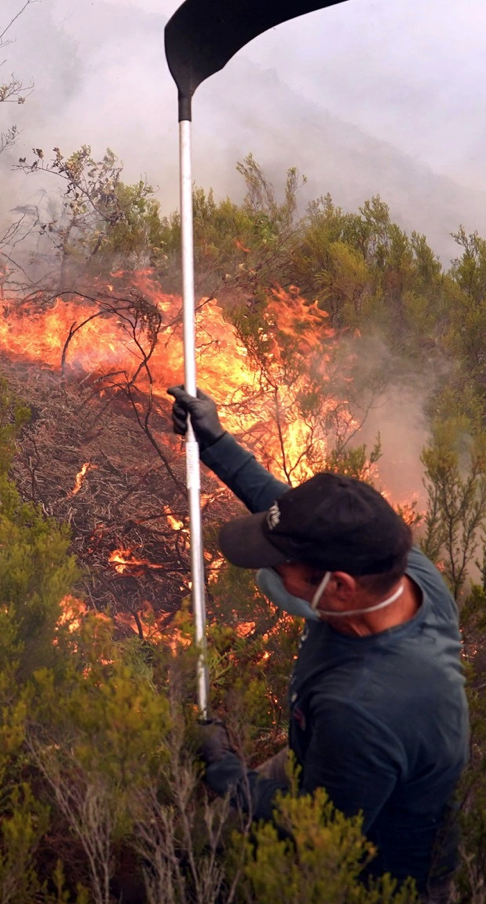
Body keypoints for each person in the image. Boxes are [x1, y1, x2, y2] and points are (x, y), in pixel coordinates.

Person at [169, 385, 468, 900]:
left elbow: (316, 830)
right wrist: (215, 440)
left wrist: (224, 770)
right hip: (325, 766)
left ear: (341, 586)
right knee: (203, 846)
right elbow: (292, 516)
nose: (270, 573)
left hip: (367, 872)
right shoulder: (400, 571)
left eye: (283, 569)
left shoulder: (364, 708)